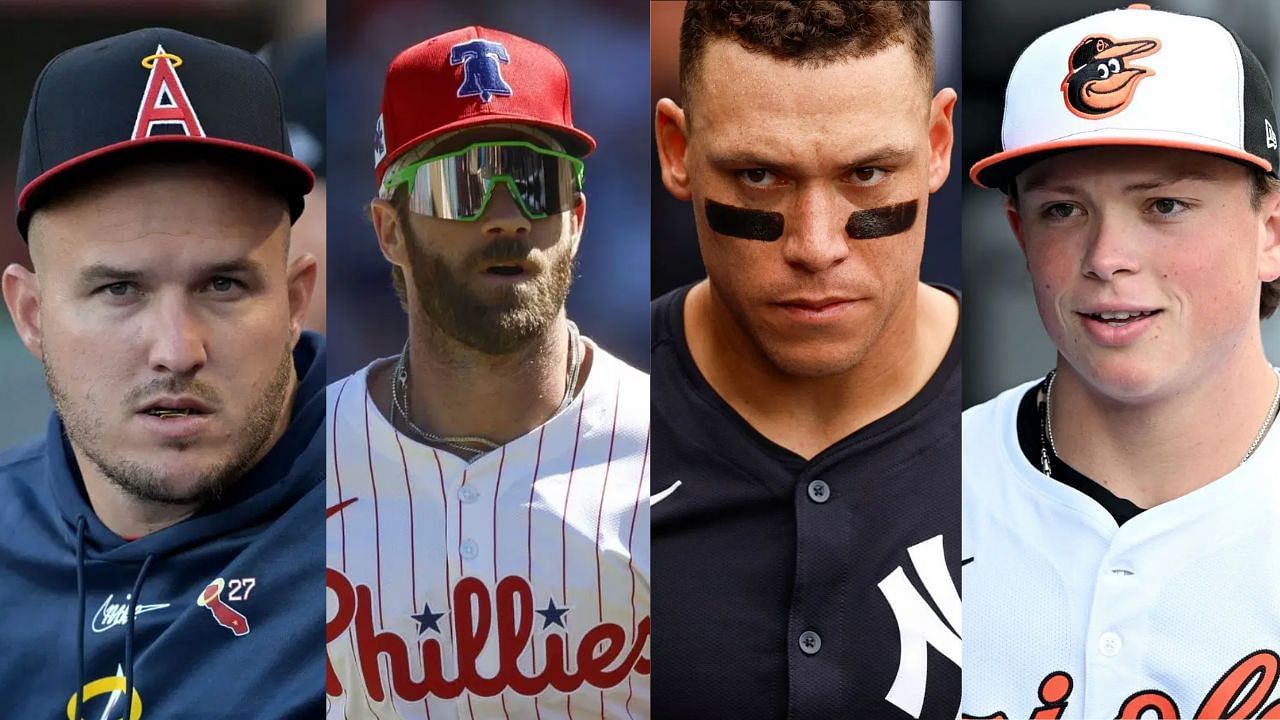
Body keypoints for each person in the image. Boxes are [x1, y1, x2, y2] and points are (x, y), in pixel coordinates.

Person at [324, 26, 650, 718]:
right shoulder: (306, 461)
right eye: (462, 185)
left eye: (536, 182)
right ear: (389, 230)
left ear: (577, 216)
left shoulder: (669, 451)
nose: (507, 218)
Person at [964, 4, 1280, 718]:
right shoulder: (912, 494)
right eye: (1063, 210)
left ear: (1271, 232)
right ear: (1018, 232)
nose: (1108, 259)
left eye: (1164, 205)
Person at [0, 28, 323, 718]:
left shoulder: (413, 538)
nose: (177, 351)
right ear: (30, 315)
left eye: (224, 286)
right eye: (119, 291)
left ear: (295, 300)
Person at [650, 2, 961, 717]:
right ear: (677, 150)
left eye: (868, 173)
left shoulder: (1042, 429)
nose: (816, 246)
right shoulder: (578, 438)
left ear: (938, 142)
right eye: (759, 176)